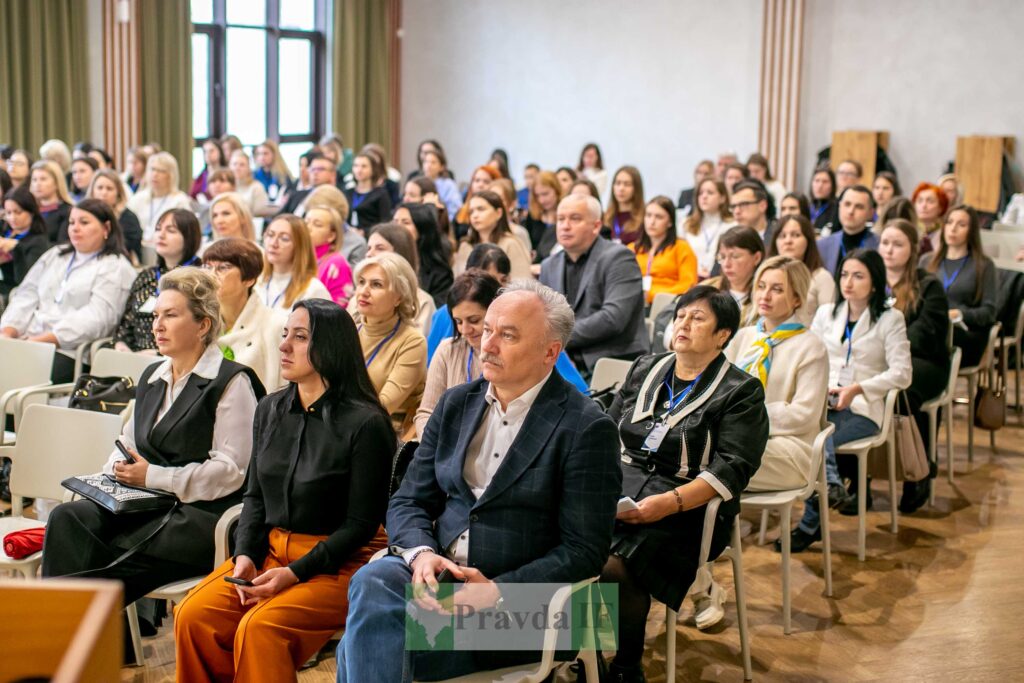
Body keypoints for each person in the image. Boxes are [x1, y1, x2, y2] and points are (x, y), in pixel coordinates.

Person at [337, 279, 622, 683]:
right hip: (443, 579)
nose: (486, 344)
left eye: (507, 335)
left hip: (532, 604)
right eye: (487, 329)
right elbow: (409, 500)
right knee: (373, 581)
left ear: (550, 352)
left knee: (366, 640)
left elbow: (585, 550)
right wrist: (421, 555)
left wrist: (498, 590)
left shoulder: (588, 427)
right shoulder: (457, 403)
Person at [42, 267, 265, 655]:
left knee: (102, 551)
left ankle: (64, 642)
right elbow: (127, 440)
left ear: (203, 325)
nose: (156, 326)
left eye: (171, 315)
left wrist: (153, 475)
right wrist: (117, 468)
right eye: (156, 315)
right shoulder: (151, 375)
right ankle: (91, 645)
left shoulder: (232, 382)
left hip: (202, 515)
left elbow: (232, 472)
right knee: (68, 518)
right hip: (147, 503)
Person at [174, 299, 392, 683]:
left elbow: (360, 525)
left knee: (260, 628)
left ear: (332, 346)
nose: (285, 345)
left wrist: (295, 573)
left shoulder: (367, 423)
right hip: (272, 553)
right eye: (285, 334)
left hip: (342, 563)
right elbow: (254, 497)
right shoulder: (270, 408)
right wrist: (244, 554)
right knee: (193, 615)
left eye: (301, 336)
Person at [602, 285, 769, 681]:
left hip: (689, 509)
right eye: (680, 315)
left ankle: (625, 668)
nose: (683, 324)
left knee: (613, 566)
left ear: (722, 334)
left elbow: (732, 467)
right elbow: (605, 429)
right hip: (621, 490)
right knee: (569, 544)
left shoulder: (741, 391)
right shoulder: (646, 367)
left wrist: (669, 503)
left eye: (698, 318)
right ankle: (584, 655)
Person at [786, 249, 912, 551]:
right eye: (844, 274)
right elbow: (809, 356)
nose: (848, 282)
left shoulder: (890, 319)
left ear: (874, 281)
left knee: (817, 437)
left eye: (858, 276)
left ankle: (810, 521)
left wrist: (857, 388)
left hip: (863, 407)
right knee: (812, 430)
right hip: (823, 400)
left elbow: (903, 373)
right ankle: (830, 484)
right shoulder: (826, 313)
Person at [0, 199, 135, 381]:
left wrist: (44, 340)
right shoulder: (57, 254)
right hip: (27, 338)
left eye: (84, 222)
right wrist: (9, 330)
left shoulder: (115, 266)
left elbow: (97, 319)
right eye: (72, 222)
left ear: (106, 228)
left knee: (15, 377)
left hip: (69, 349)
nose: (75, 228)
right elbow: (27, 294)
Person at [727, 257, 828, 491]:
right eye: (761, 286)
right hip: (737, 437)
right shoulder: (745, 336)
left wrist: (746, 418)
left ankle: (727, 524)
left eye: (777, 289)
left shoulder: (811, 346)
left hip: (790, 448)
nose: (765, 296)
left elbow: (804, 414)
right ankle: (722, 524)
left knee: (709, 457)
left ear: (797, 298)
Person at [879, 220, 950, 512]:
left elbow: (927, 334)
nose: (889, 250)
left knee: (903, 388)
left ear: (913, 249)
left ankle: (917, 470)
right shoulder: (869, 279)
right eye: (885, 243)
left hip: (924, 361)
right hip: (878, 360)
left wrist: (887, 342)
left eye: (898, 245)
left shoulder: (927, 283)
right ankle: (854, 480)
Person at [539, 194, 649, 378]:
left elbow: (613, 319)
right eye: (560, 219)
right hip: (562, 361)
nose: (565, 226)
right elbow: (544, 317)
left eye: (575, 219)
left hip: (611, 362)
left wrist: (556, 337)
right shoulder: (548, 265)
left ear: (596, 226)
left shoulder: (619, 258)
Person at [413, 269, 501, 439]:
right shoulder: (448, 350)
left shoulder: (512, 354)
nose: (465, 330)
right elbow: (426, 413)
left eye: (474, 320)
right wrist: (438, 446)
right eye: (458, 322)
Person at [350, 252, 427, 440]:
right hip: (345, 427)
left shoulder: (412, 342)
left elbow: (383, 406)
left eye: (376, 284)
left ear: (399, 297)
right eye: (361, 282)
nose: (364, 291)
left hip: (386, 435)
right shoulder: (349, 327)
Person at [114, 209, 203, 353]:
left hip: (174, 359)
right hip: (134, 357)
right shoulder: (146, 276)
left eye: (171, 230)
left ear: (189, 237)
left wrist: (159, 354)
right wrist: (122, 345)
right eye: (158, 229)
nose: (161, 235)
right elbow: (126, 325)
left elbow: (198, 331)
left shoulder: (199, 278)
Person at [203, 237, 286, 391]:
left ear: (249, 280)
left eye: (224, 267)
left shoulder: (276, 325)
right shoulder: (201, 323)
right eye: (207, 266)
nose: (212, 275)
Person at [922, 204, 997, 368]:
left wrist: (960, 314)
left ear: (971, 231)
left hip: (965, 334)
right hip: (931, 328)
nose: (953, 229)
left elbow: (989, 312)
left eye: (961, 225)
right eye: (949, 222)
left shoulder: (983, 265)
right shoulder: (927, 261)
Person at [364, 222, 437, 335]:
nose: (369, 254)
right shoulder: (359, 296)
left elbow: (419, 345)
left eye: (380, 248)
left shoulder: (423, 301)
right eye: (368, 248)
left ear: (400, 254)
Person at [631, 195, 698, 304]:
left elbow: (688, 285)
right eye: (648, 215)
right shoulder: (632, 249)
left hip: (667, 304)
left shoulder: (682, 248)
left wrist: (654, 295)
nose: (652, 222)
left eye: (659, 217)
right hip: (634, 302)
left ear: (670, 222)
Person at [769, 215, 834, 324]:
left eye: (796, 235)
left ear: (808, 241)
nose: (788, 241)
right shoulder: (767, 276)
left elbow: (830, 322)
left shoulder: (821, 277)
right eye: (782, 236)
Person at [258, 215, 332, 311]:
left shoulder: (314, 290)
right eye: (270, 235)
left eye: (284, 238)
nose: (273, 243)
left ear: (300, 246)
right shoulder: (257, 280)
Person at [454, 190, 532, 280]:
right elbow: (460, 283)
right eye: (471, 211)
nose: (475, 215)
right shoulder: (465, 246)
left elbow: (522, 283)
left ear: (498, 213)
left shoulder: (511, 243)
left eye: (481, 209)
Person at [702, 226, 765, 328]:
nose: (726, 264)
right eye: (722, 257)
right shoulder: (707, 287)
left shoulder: (764, 297)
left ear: (757, 258)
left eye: (735, 256)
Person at [393, 202, 454, 306]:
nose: (397, 227)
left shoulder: (439, 274)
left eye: (405, 222)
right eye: (395, 221)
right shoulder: (386, 261)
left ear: (421, 229)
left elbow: (436, 310)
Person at [127, 152, 194, 241]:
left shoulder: (179, 201)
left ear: (171, 175)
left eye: (161, 171)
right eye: (152, 169)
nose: (155, 174)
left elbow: (187, 232)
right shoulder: (138, 198)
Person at [817, 185, 879, 275]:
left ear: (871, 213)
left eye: (859, 207)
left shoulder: (879, 245)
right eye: (847, 204)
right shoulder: (822, 246)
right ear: (839, 207)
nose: (851, 211)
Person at [0, 187, 50, 297]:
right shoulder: (4, 231)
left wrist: (16, 249)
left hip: (16, 292)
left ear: (31, 212)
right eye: (8, 213)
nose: (12, 217)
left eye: (18, 212)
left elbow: (25, 281)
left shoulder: (38, 241)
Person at [682, 177, 735, 279]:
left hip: (719, 278)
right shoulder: (686, 224)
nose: (704, 196)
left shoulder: (732, 225)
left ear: (722, 198)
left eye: (710, 193)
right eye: (701, 193)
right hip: (690, 278)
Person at [86, 169, 143, 261]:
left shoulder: (128, 217)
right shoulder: (84, 215)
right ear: (92, 191)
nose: (104, 193)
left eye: (109, 189)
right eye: (100, 188)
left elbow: (125, 248)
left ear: (118, 194)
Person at [305, 205, 355, 307]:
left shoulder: (337, 264)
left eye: (317, 224)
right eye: (306, 222)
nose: (308, 227)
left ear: (331, 236)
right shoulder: (297, 256)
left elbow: (338, 311)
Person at [345, 152, 392, 231]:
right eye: (356, 166)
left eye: (364, 166)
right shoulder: (348, 192)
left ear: (373, 169)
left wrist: (364, 232)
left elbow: (385, 222)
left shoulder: (381, 194)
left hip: (371, 236)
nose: (359, 170)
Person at [29, 160, 73, 244]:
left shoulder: (67, 211)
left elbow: (62, 244)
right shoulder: (28, 209)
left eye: (43, 179)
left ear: (56, 183)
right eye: (34, 180)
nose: (37, 184)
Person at [522, 170, 562, 260]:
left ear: (557, 190)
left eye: (545, 194)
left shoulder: (566, 213)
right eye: (537, 196)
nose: (541, 200)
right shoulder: (532, 216)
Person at [453, 165, 500, 238]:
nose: (480, 185)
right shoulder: (462, 210)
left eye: (486, 182)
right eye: (477, 180)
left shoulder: (498, 211)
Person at [604, 165, 645, 246]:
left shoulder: (644, 218)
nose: (621, 188)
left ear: (636, 188)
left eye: (627, 184)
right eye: (618, 183)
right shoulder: (606, 217)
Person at [229, 150, 273, 217]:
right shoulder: (225, 186)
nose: (237, 168)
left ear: (248, 168)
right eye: (234, 164)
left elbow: (260, 213)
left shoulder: (256, 187)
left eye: (242, 165)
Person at [420, 148, 462, 218]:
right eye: (426, 162)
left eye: (433, 162)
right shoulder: (418, 183)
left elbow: (455, 208)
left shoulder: (448, 184)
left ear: (441, 167)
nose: (428, 165)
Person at [730, 179, 773, 245]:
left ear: (762, 206)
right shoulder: (729, 238)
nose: (736, 211)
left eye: (743, 204)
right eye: (733, 206)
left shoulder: (778, 236)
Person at [253, 139, 293, 204]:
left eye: (265, 154)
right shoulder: (254, 175)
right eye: (259, 154)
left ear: (274, 155)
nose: (262, 157)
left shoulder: (283, 176)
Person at [912, 182, 949, 252]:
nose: (924, 205)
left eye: (930, 201)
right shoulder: (910, 230)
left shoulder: (946, 233)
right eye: (920, 201)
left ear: (941, 207)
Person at [808, 167, 838, 234]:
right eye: (817, 181)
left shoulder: (837, 208)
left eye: (825, 182)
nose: (820, 185)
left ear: (832, 185)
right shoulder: (807, 206)